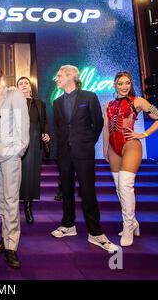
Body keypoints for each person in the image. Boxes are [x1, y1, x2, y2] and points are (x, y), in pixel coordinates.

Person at [51, 65, 118, 252]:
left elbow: (97, 123)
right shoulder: (57, 102)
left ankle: (95, 232)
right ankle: (68, 225)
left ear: (71, 76)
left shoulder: (89, 96)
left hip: (84, 152)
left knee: (88, 191)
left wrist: (88, 143)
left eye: (59, 75)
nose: (56, 78)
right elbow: (58, 128)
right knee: (66, 190)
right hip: (64, 154)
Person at [103, 71, 158, 246]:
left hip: (131, 144)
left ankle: (128, 227)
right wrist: (104, 149)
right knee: (119, 188)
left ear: (131, 85)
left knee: (125, 185)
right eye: (120, 83)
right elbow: (106, 129)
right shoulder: (107, 104)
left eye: (127, 83)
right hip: (113, 148)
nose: (124, 87)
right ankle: (134, 221)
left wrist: (144, 133)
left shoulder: (138, 101)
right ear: (114, 85)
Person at [0, 64, 30, 268]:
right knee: (2, 201)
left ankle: (12, 247)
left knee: (11, 200)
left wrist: (17, 152)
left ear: (1, 77)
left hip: (10, 155)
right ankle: (6, 237)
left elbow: (23, 126)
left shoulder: (14, 95)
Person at [16, 76, 50, 225]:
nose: (23, 85)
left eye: (26, 83)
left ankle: (28, 207)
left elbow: (44, 122)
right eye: (20, 84)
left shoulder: (39, 104)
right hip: (16, 143)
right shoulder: (13, 104)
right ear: (17, 88)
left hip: (34, 142)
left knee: (31, 175)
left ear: (30, 87)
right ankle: (13, 206)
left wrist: (46, 133)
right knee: (16, 175)